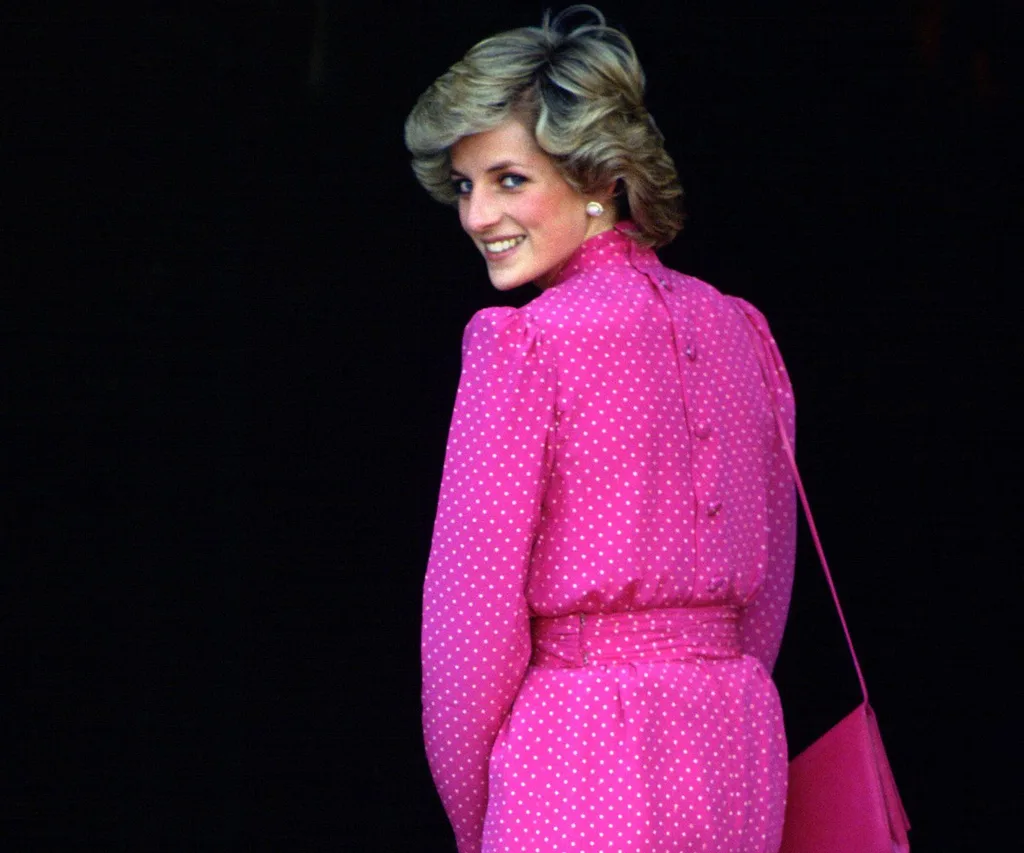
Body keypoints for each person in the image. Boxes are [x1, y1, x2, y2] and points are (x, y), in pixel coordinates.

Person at [404, 7, 796, 852]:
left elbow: (469, 629)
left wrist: (479, 821)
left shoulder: (522, 345)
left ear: (603, 176)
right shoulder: (742, 329)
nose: (477, 215)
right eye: (465, 185)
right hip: (736, 743)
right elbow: (767, 598)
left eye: (510, 179)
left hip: (576, 751)